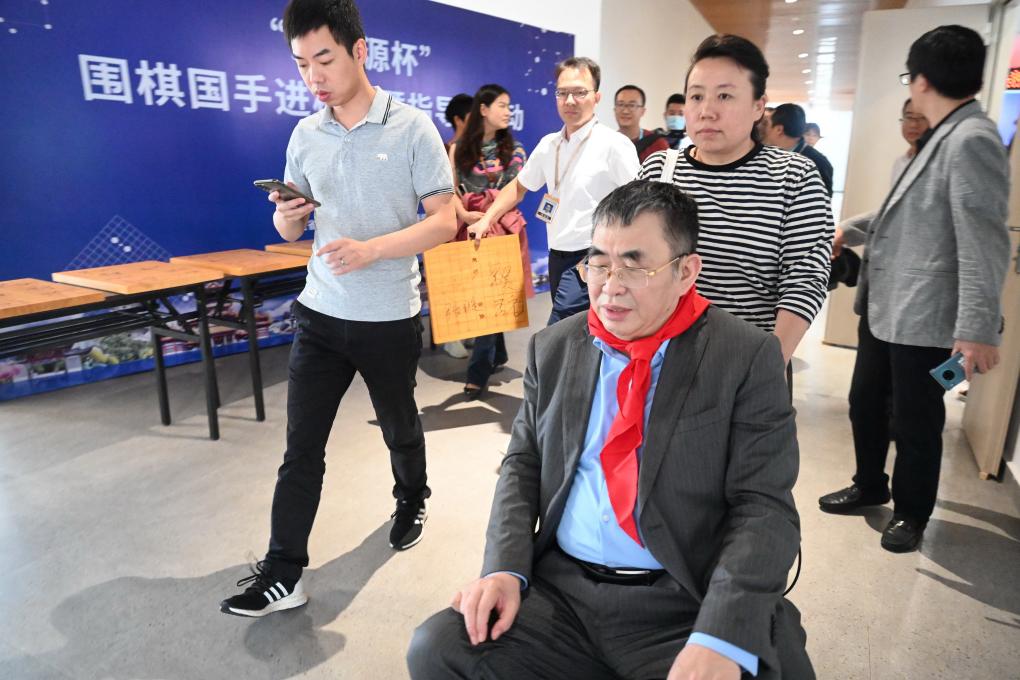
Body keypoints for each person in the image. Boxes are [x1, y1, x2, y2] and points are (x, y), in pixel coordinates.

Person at [407, 180, 814, 680]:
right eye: (599, 263)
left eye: (635, 266)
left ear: (686, 272)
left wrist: (720, 634)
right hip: (563, 593)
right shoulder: (555, 347)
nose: (610, 286)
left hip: (686, 597)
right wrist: (504, 567)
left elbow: (764, 506)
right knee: (439, 648)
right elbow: (523, 463)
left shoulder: (745, 357)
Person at [219, 0, 456, 618]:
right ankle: (283, 572)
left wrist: (373, 249)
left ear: (360, 51)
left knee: (399, 425)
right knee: (302, 448)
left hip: (389, 318)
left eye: (323, 58)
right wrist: (287, 214)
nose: (313, 76)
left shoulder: (412, 128)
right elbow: (290, 229)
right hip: (320, 313)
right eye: (301, 64)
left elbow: (445, 222)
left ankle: (412, 497)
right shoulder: (306, 134)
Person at [820, 25, 1011, 553]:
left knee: (916, 420)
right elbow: (903, 215)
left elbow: (985, 243)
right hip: (887, 309)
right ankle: (869, 483)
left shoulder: (971, 140)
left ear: (921, 80)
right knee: (865, 402)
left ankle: (911, 511)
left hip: (926, 317)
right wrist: (847, 230)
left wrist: (976, 329)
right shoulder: (939, 138)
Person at [639, 34, 833, 366]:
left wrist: (766, 367)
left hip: (747, 362)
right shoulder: (659, 170)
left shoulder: (794, 177)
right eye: (696, 96)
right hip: (658, 361)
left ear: (759, 106)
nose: (706, 111)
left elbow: (804, 281)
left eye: (725, 96)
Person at [472, 56, 641, 325]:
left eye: (579, 92)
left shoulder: (614, 145)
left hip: (594, 256)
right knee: (583, 333)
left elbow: (640, 202)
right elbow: (518, 187)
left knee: (559, 330)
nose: (570, 101)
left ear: (596, 97)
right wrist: (487, 219)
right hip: (557, 254)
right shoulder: (549, 145)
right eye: (562, 93)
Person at [449, 84, 531, 400]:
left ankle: (477, 373)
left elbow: (516, 192)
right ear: (483, 109)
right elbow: (450, 189)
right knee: (483, 297)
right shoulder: (458, 149)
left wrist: (488, 214)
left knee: (491, 297)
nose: (508, 111)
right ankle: (498, 355)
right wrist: (464, 214)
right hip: (469, 229)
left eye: (509, 106)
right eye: (502, 105)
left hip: (503, 229)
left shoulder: (515, 150)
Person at [764, 103, 834, 195]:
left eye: (766, 124)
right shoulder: (774, 155)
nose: (763, 129)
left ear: (779, 129)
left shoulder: (817, 162)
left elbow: (822, 199)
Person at [614, 84, 670, 162]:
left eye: (632, 105)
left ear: (643, 111)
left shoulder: (657, 144)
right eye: (620, 104)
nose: (625, 111)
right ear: (614, 109)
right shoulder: (607, 143)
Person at [891, 98, 929, 184]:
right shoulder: (900, 163)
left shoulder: (937, 162)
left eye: (922, 118)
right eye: (909, 117)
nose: (913, 124)